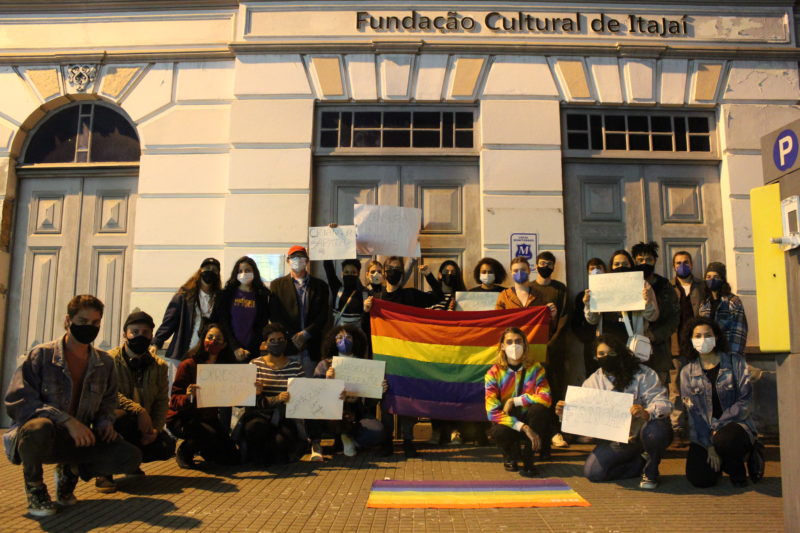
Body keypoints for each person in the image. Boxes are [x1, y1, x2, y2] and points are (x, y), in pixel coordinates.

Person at [4, 295, 142, 516]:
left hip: (79, 437)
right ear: (68, 320)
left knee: (129, 456)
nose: (90, 327)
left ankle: (71, 469)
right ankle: (35, 488)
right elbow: (18, 402)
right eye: (83, 321)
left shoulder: (104, 362)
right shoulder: (41, 355)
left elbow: (108, 401)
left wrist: (105, 423)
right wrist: (66, 420)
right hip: (46, 436)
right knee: (36, 428)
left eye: (95, 323)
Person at [556, 334, 673, 490]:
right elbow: (583, 419)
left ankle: (651, 469)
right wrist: (565, 414)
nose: (607, 357)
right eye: (602, 354)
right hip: (618, 440)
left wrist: (646, 412)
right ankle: (641, 463)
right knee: (593, 473)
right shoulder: (593, 382)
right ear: (595, 358)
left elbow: (664, 403)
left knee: (656, 431)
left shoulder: (643, 373)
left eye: (611, 353)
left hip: (643, 432)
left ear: (621, 353)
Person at [364, 256, 442, 458]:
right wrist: (366, 310)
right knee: (386, 398)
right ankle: (387, 441)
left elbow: (438, 296)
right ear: (384, 271)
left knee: (408, 399)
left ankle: (408, 440)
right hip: (384, 356)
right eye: (390, 268)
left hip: (408, 356)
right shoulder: (376, 297)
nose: (394, 272)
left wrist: (428, 276)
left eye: (398, 269)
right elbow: (366, 327)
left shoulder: (411, 295)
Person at [680, 317, 762, 487]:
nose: (703, 340)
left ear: (716, 337)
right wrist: (708, 445)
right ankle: (720, 461)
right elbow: (694, 414)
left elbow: (744, 401)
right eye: (697, 336)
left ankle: (738, 468)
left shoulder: (735, 362)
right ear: (691, 340)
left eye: (707, 335)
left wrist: (718, 427)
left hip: (735, 426)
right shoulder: (687, 372)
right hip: (706, 432)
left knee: (725, 441)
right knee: (700, 478)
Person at [100, 310, 174, 493]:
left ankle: (131, 464)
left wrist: (155, 429)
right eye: (135, 332)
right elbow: (108, 393)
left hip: (143, 424)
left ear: (151, 336)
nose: (140, 336)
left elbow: (161, 401)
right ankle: (103, 471)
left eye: (145, 332)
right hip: (113, 420)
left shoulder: (159, 366)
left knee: (166, 446)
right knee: (119, 418)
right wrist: (138, 410)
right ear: (125, 334)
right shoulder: (108, 360)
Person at [308, 325, 386, 460]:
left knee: (377, 432)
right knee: (310, 409)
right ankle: (317, 444)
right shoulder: (324, 365)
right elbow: (314, 395)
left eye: (348, 337)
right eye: (339, 337)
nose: (344, 341)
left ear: (356, 340)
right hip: (331, 413)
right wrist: (327, 381)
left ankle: (350, 439)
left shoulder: (366, 365)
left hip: (356, 413)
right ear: (333, 341)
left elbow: (370, 402)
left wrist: (380, 390)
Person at [167, 324, 238, 468]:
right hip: (183, 417)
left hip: (208, 417)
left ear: (224, 345)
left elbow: (235, 397)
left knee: (232, 458)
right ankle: (185, 450)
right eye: (209, 337)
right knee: (207, 435)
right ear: (203, 339)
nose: (213, 341)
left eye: (218, 339)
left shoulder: (225, 369)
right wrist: (187, 397)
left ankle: (205, 449)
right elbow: (174, 400)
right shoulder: (188, 364)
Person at [485, 328, 552, 477]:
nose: (514, 346)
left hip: (530, 416)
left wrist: (515, 401)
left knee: (539, 410)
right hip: (509, 421)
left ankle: (529, 458)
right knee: (498, 431)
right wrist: (524, 427)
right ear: (502, 346)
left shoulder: (535, 369)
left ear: (525, 344)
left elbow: (546, 398)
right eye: (509, 342)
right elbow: (492, 413)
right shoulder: (493, 373)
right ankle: (510, 455)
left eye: (518, 341)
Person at [241, 324, 306, 466]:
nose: (277, 343)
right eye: (272, 340)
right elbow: (247, 398)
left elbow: (303, 396)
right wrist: (259, 393)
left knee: (282, 442)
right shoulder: (255, 364)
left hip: (285, 416)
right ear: (264, 344)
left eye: (281, 339)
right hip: (260, 414)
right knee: (255, 427)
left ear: (286, 342)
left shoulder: (296, 366)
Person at [153, 258, 222, 389]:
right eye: (207, 268)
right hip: (182, 351)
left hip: (205, 355)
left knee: (201, 394)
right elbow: (169, 321)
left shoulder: (219, 298)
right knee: (178, 391)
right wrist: (157, 341)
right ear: (200, 270)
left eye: (214, 270)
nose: (210, 272)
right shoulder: (184, 295)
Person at [269, 246, 330, 377]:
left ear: (307, 261)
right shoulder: (277, 285)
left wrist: (306, 333)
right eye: (294, 257)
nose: (297, 260)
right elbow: (275, 315)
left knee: (309, 388)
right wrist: (292, 335)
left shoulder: (320, 286)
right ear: (288, 260)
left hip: (312, 347)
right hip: (287, 347)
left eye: (301, 257)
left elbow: (323, 314)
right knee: (287, 388)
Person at [530, 251, 570, 450]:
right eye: (542, 263)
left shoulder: (560, 289)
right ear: (536, 264)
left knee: (555, 389)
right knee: (533, 391)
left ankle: (555, 431)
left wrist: (553, 341)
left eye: (549, 264)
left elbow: (564, 317)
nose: (545, 266)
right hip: (532, 350)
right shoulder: (528, 288)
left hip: (555, 349)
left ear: (554, 267)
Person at [583, 250, 659, 343]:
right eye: (617, 264)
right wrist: (588, 304)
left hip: (633, 342)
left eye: (625, 264)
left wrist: (647, 302)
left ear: (631, 265)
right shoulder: (601, 285)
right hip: (607, 341)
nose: (620, 267)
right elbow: (592, 320)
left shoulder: (642, 285)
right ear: (611, 266)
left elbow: (653, 317)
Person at [670, 251, 706, 444]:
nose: (682, 266)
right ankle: (677, 428)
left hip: (698, 345)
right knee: (675, 389)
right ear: (673, 266)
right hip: (676, 346)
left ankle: (697, 428)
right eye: (678, 263)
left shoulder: (702, 286)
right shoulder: (669, 287)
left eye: (685, 262)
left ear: (691, 265)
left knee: (698, 387)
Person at [631, 242, 680, 385]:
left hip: (659, 351)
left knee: (658, 393)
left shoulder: (665, 286)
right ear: (634, 261)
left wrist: (655, 335)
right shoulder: (627, 284)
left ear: (655, 261)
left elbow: (674, 319)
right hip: (631, 349)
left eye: (649, 260)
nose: (644, 263)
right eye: (640, 260)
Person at [213, 256, 271, 363]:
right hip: (228, 349)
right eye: (240, 271)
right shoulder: (226, 295)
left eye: (248, 270)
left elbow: (262, 325)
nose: (244, 273)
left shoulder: (261, 296)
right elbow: (223, 322)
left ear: (254, 272)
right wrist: (235, 347)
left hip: (251, 351)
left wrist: (249, 350)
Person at [699, 262, 748, 357]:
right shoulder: (704, 304)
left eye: (716, 277)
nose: (712, 280)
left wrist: (734, 356)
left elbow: (739, 331)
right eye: (708, 277)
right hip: (709, 355)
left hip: (727, 353)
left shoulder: (733, 301)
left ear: (722, 279)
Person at [570, 258, 606, 378]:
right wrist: (587, 338)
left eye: (599, 268)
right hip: (591, 344)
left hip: (610, 340)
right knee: (592, 376)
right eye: (592, 269)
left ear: (605, 271)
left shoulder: (612, 293)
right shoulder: (582, 296)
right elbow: (575, 322)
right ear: (588, 273)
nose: (596, 271)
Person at [324, 258, 367, 327]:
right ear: (342, 274)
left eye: (353, 272)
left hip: (356, 335)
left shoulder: (364, 293)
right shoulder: (337, 289)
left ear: (358, 274)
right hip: (338, 335)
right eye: (346, 272)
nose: (349, 275)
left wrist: (366, 310)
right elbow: (328, 268)